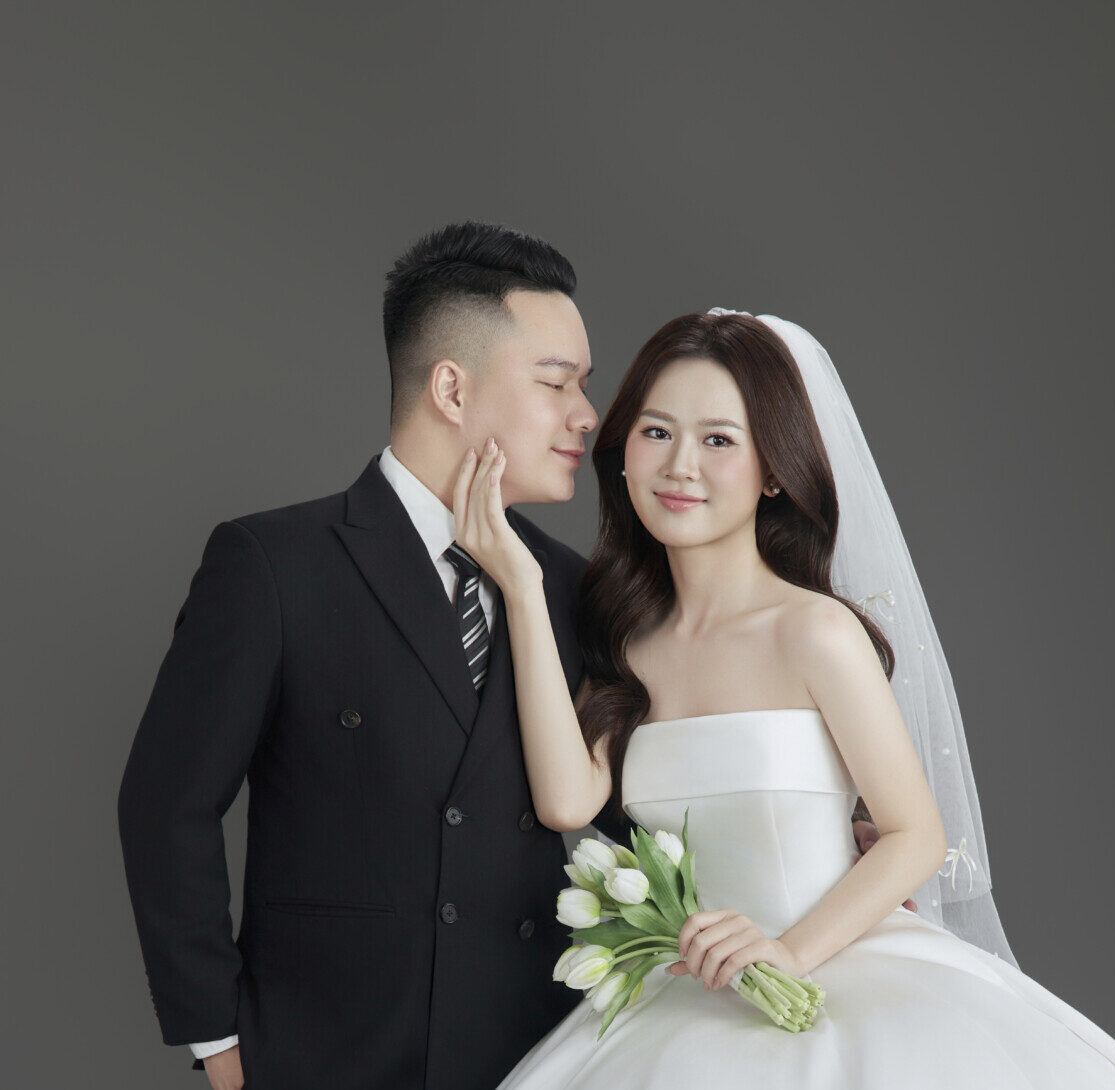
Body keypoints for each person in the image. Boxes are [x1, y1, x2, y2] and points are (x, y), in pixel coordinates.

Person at [116, 221, 888, 1090]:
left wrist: (824, 843)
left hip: (534, 1049)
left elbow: (632, 810)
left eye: (584, 386)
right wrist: (216, 1040)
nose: (587, 415)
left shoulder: (575, 591)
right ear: (451, 388)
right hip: (324, 1051)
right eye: (556, 382)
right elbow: (166, 807)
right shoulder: (275, 565)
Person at [449, 309, 1115, 1087]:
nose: (679, 467)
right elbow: (567, 802)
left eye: (718, 440)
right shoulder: (624, 638)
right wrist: (520, 587)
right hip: (683, 1000)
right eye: (656, 432)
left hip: (831, 971)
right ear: (623, 452)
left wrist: (785, 953)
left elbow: (914, 836)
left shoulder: (813, 632)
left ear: (772, 470)